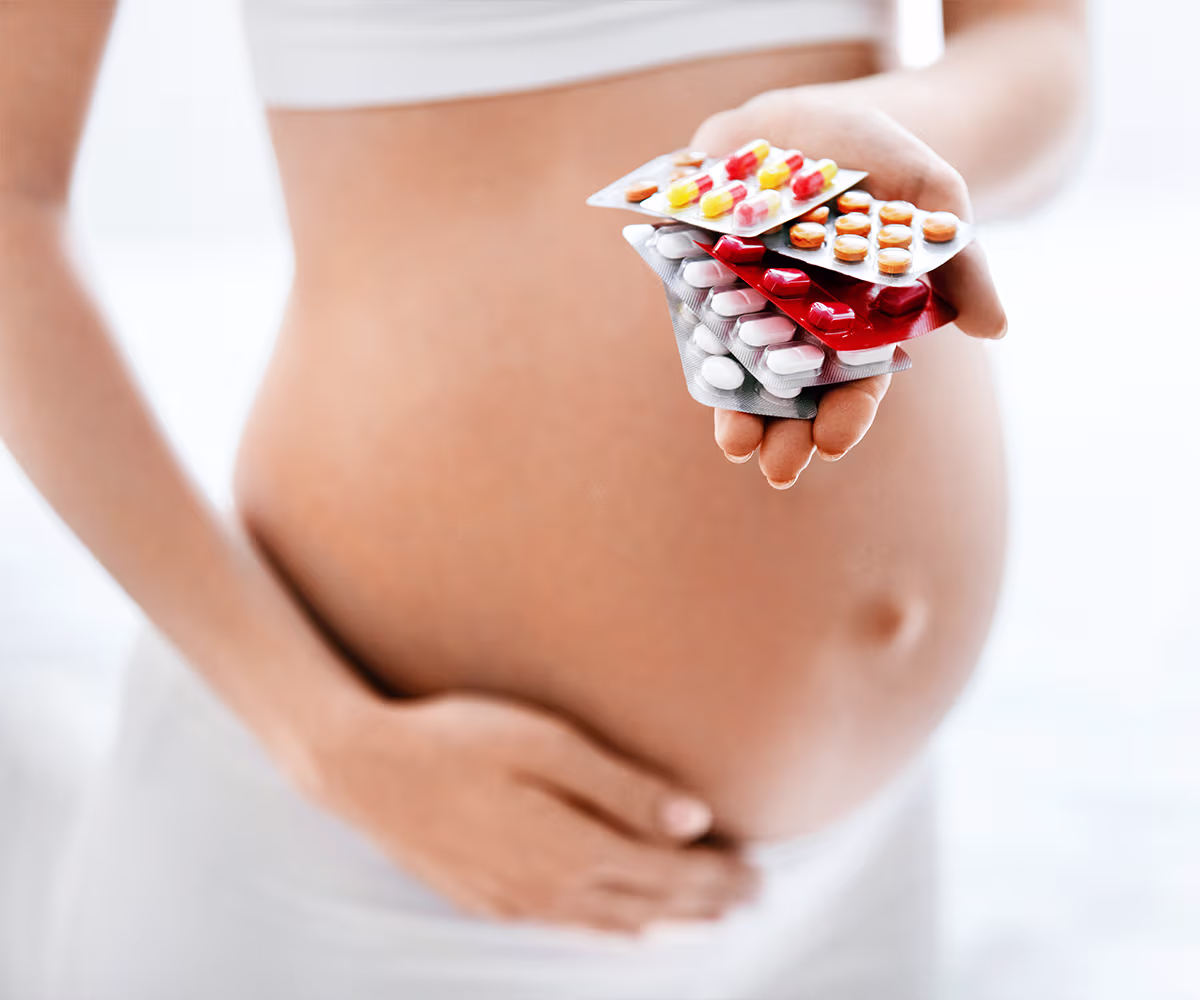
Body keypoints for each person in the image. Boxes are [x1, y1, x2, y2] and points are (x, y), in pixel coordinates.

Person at [0, 1, 1086, 997]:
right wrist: (324, 737)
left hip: (852, 869)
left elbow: (1046, 57)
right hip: (372, 854)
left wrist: (876, 132)